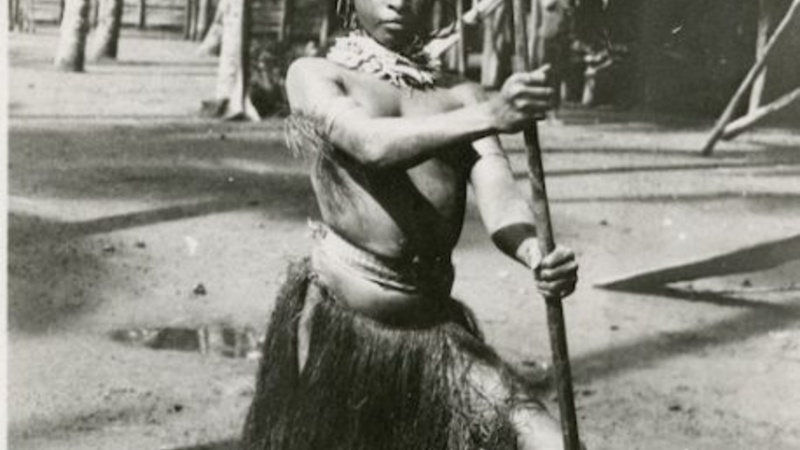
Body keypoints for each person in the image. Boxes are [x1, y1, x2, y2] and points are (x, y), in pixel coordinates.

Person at [241, 0, 580, 448]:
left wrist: (533, 251)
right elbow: (369, 145)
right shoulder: (316, 74)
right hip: (338, 328)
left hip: (433, 331)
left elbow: (499, 194)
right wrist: (491, 114)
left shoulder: (461, 94)